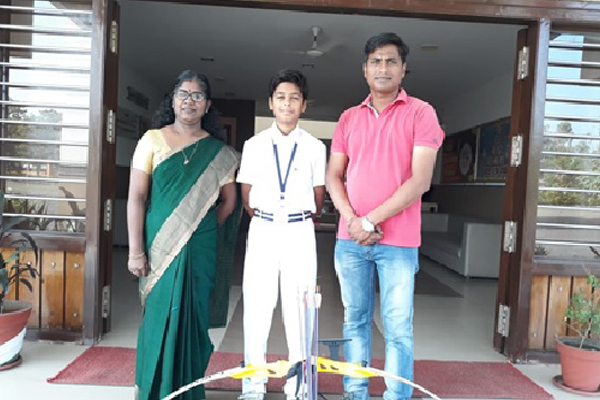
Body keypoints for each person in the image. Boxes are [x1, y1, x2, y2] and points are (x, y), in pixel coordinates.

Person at [326, 33, 444, 400]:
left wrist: (369, 221)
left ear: (403, 68)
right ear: (364, 70)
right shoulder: (349, 118)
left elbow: (420, 180)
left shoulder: (421, 113)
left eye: (391, 61)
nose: (383, 68)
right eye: (375, 61)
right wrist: (352, 220)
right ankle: (355, 392)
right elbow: (333, 176)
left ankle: (396, 396)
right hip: (350, 241)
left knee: (397, 328)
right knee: (354, 321)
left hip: (398, 243)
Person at [127, 70, 240, 400]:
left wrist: (199, 227)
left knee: (193, 319)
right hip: (158, 246)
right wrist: (135, 250)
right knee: (157, 319)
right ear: (173, 100)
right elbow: (136, 197)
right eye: (183, 94)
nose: (190, 101)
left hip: (201, 249)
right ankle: (152, 391)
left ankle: (187, 392)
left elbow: (229, 203)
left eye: (197, 96)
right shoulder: (152, 140)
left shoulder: (219, 153)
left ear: (207, 105)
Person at [237, 69, 326, 400]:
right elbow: (246, 195)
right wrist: (269, 216)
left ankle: (298, 387)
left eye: (294, 98)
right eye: (281, 97)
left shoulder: (315, 147)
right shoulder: (254, 145)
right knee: (257, 306)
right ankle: (253, 386)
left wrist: (295, 216)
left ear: (303, 105)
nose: (287, 104)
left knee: (301, 308)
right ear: (271, 103)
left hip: (300, 230)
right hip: (263, 228)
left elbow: (318, 197)